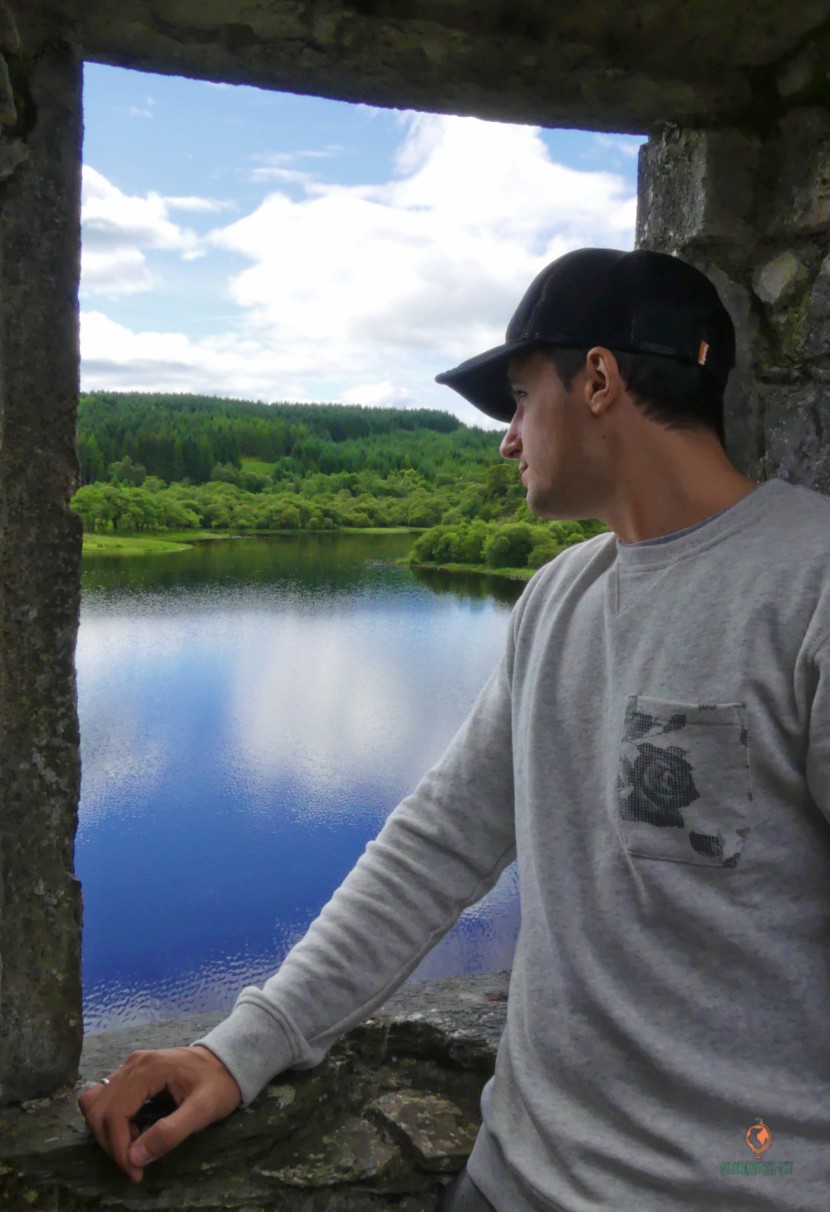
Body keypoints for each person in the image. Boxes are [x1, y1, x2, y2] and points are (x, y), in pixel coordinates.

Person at [79, 248, 830, 1211]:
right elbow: (435, 848)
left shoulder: (807, 586)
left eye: (518, 401)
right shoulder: (558, 598)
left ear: (600, 380)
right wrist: (241, 1048)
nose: (507, 443)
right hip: (509, 1179)